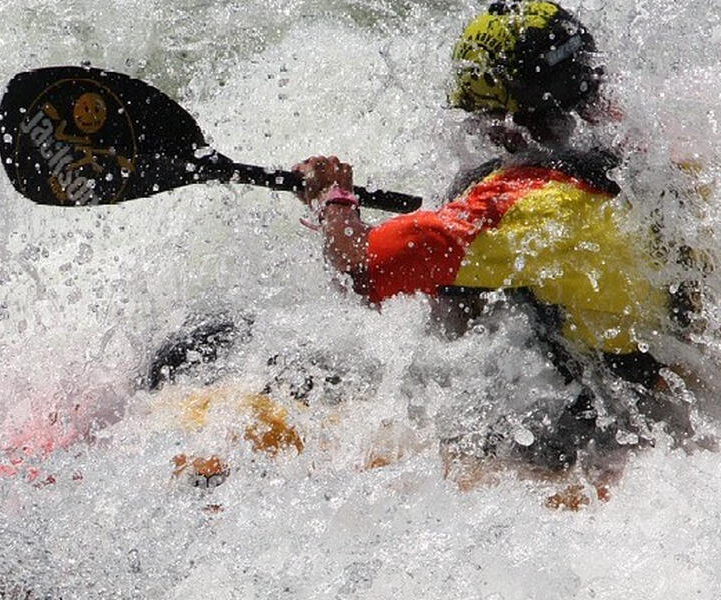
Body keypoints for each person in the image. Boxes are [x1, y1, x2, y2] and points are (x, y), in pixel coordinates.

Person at [294, 0, 703, 485]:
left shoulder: (520, 206)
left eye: (476, 115)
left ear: (506, 120)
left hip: (591, 435)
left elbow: (360, 270)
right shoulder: (659, 155)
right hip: (665, 397)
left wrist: (333, 198)